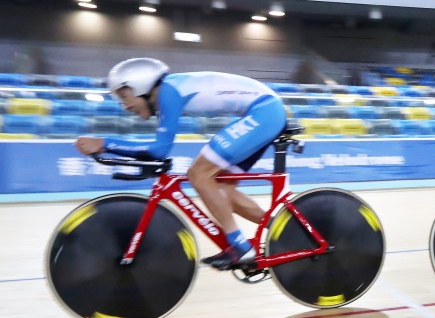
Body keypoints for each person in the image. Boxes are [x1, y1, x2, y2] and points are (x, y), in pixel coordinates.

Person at [74, 58, 287, 269]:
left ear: (140, 85)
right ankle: (287, 230)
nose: (125, 106)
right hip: (266, 111)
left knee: (199, 174)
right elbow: (156, 150)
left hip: (265, 111)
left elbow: (159, 149)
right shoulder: (167, 91)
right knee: (222, 190)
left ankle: (240, 247)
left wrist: (104, 143)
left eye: (124, 96)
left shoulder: (168, 92)